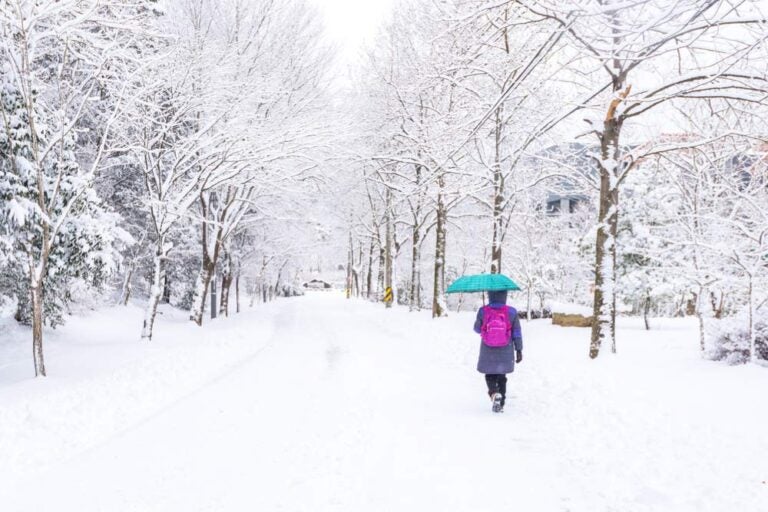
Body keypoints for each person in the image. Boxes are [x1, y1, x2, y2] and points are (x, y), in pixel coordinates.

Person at [473, 290, 523, 413]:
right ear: (504, 295)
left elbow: (476, 329)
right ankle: (501, 403)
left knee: (489, 374)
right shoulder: (511, 311)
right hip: (505, 349)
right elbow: (517, 332)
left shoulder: (483, 310)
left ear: (490, 295)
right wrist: (519, 349)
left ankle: (494, 393)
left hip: (487, 349)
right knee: (502, 375)